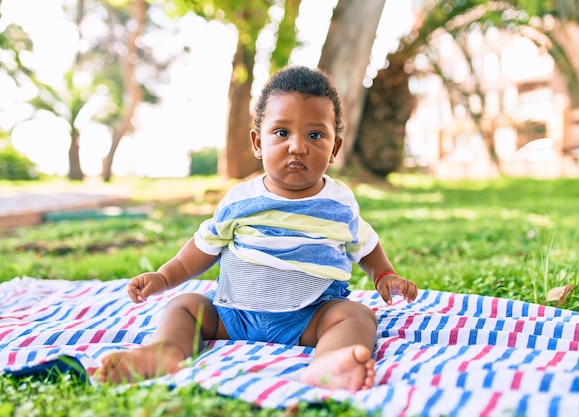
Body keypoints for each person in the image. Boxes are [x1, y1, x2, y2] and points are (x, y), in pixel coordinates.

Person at [98, 66, 418, 391]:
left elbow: (365, 245)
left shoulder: (339, 203)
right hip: (233, 314)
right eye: (281, 133)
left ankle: (329, 363)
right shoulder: (240, 200)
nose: (298, 147)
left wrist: (384, 275)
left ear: (334, 147)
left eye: (315, 135)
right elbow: (202, 248)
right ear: (257, 142)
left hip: (309, 317)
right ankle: (166, 351)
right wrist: (165, 277)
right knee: (185, 306)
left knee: (357, 315)